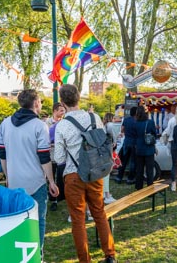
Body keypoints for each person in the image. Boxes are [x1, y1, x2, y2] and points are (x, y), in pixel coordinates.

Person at [54, 84, 116, 263]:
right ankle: (110, 255)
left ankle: (85, 260)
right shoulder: (94, 117)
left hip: (73, 176)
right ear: (78, 98)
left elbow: (59, 158)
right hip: (95, 172)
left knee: (78, 220)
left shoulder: (62, 125)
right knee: (99, 213)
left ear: (63, 103)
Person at [0, 89, 59, 253]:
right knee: (38, 221)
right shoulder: (40, 126)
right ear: (36, 103)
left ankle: (20, 254)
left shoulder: (5, 123)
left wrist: (8, 176)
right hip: (36, 182)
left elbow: (2, 155)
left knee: (17, 221)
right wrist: (51, 181)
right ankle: (37, 255)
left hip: (14, 182)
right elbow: (44, 157)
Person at [47, 102, 66, 212]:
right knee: (51, 178)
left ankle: (60, 197)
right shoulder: (46, 123)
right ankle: (53, 199)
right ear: (54, 111)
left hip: (62, 157)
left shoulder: (65, 123)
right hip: (51, 156)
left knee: (61, 178)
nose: (63, 112)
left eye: (64, 110)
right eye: (61, 110)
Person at [133, 105, 157, 190]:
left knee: (139, 169)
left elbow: (134, 135)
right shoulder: (150, 122)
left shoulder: (135, 123)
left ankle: (138, 187)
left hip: (139, 148)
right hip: (149, 148)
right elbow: (154, 133)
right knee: (149, 170)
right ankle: (150, 188)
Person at [162, 104, 177, 191]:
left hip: (173, 144)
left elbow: (166, 132)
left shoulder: (172, 120)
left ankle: (173, 184)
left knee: (174, 165)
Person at [115, 106, 137, 184]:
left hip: (126, 141)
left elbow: (122, 129)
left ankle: (119, 177)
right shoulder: (137, 121)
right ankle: (130, 179)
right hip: (134, 143)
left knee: (123, 161)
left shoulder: (126, 120)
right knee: (133, 162)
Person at [103, 113, 117, 204]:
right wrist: (115, 141)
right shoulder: (110, 125)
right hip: (107, 151)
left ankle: (105, 193)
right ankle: (106, 195)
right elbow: (113, 136)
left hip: (104, 151)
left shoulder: (104, 126)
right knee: (106, 173)